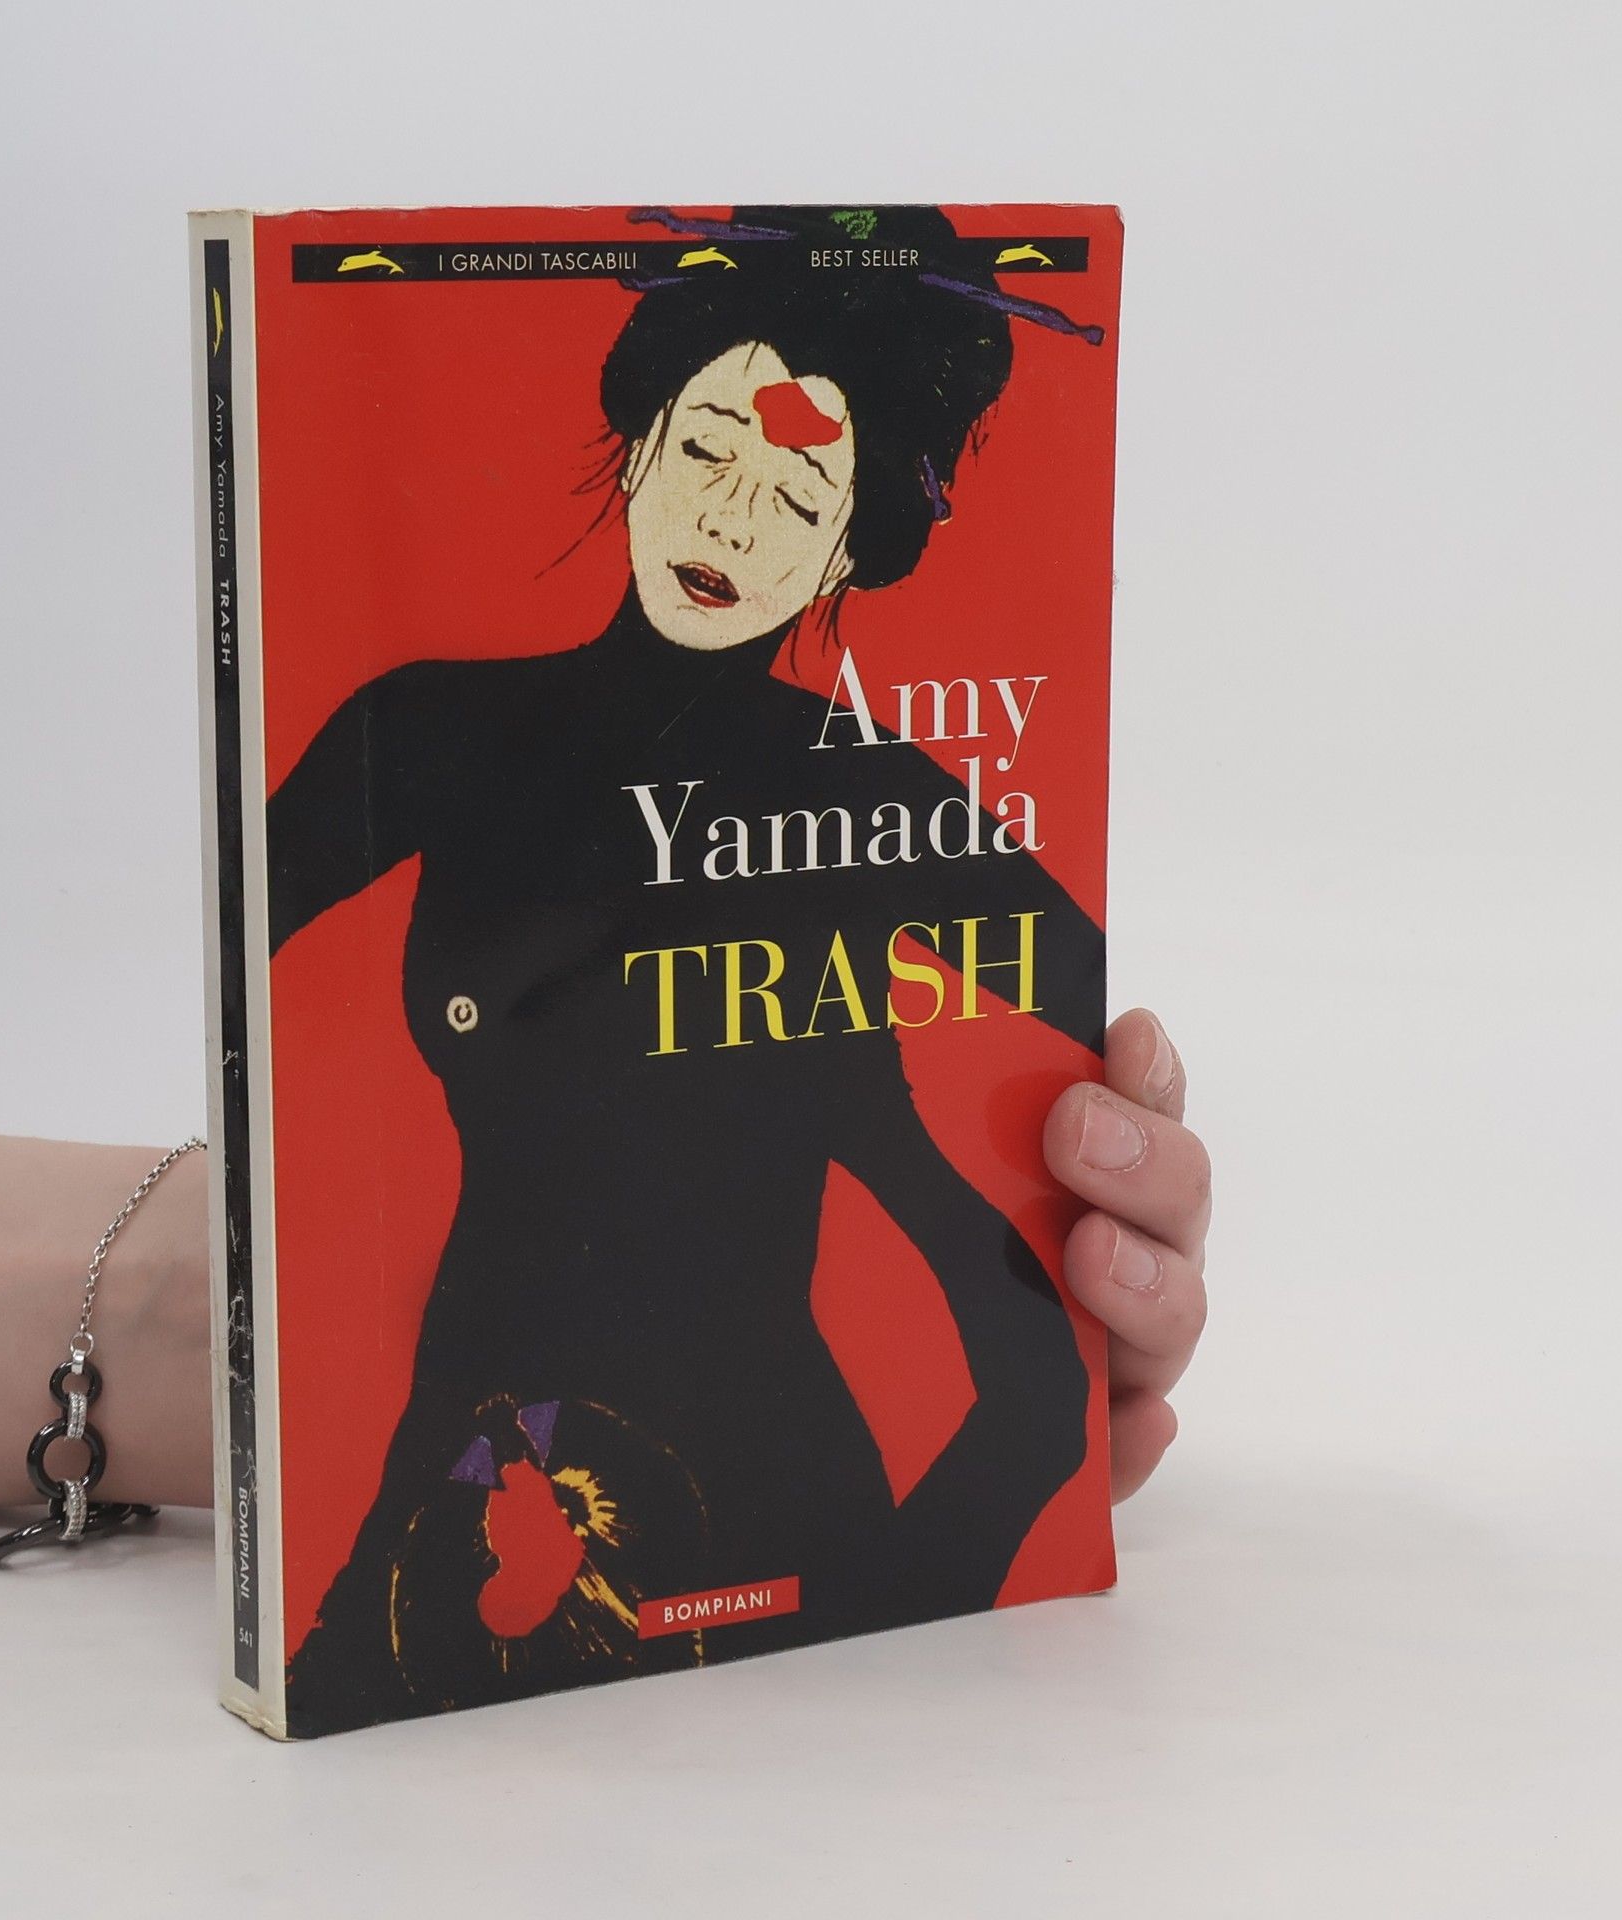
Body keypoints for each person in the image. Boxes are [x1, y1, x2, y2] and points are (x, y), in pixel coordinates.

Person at [262, 207, 1203, 1730]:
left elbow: (1035, 1371)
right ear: (636, 446)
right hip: (471, 1477)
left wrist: (911, 1592)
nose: (732, 523)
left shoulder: (872, 799)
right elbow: (236, 998)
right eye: (705, 451)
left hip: (781, 1509)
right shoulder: (428, 731)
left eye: (799, 495)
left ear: (848, 545)